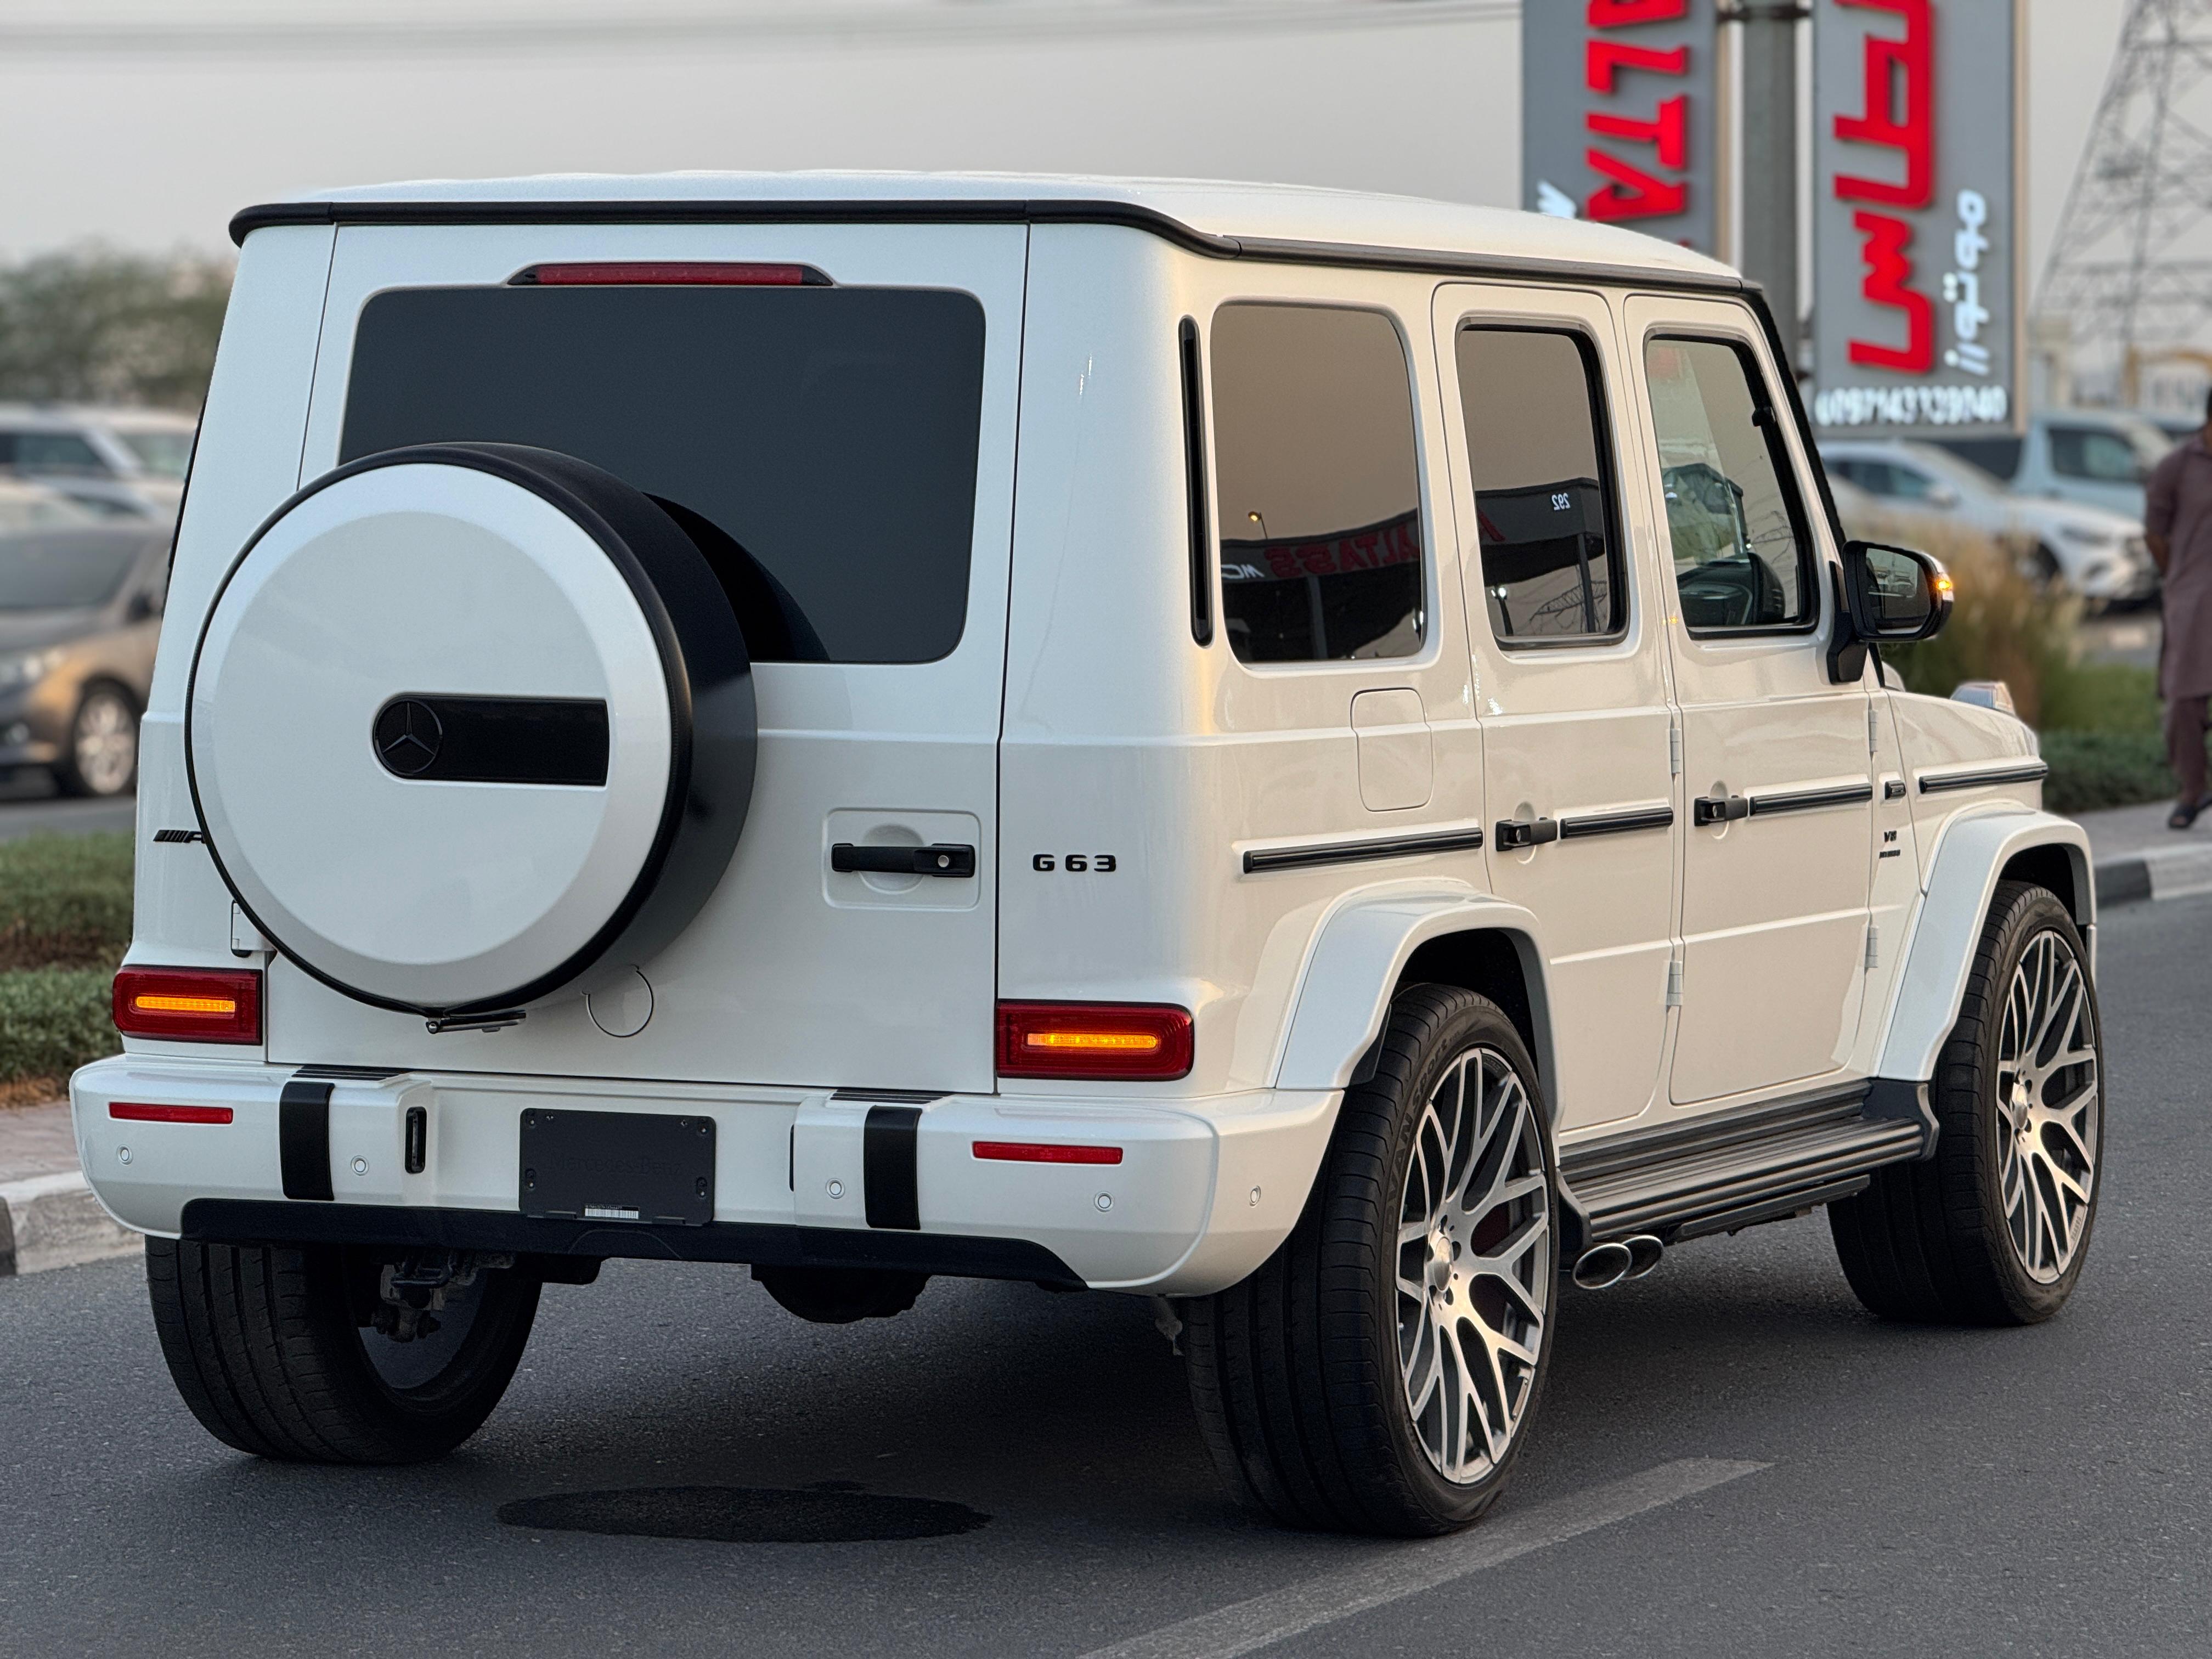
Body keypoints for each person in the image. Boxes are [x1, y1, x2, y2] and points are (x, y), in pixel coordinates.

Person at [2144, 390, 2212, 828]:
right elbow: (2155, 533)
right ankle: (2193, 789)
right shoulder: (2178, 466)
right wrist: (2180, 578)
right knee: (2183, 700)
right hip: (2194, 598)